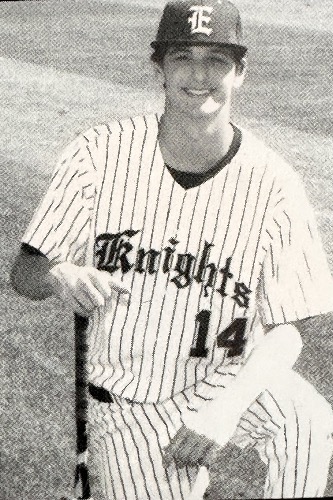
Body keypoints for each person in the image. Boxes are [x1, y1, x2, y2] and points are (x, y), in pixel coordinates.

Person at [11, 1, 333, 498]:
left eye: (217, 60)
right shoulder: (99, 154)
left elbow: (292, 325)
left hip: (224, 380)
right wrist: (60, 274)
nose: (200, 75)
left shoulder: (274, 184)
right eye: (183, 57)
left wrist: (224, 409)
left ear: (240, 72)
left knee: (308, 422)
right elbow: (25, 273)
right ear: (158, 67)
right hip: (130, 403)